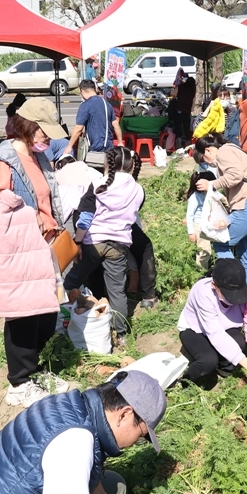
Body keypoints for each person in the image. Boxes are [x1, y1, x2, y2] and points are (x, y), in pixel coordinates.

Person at [0, 370, 167, 494]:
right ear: (124, 414)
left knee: (114, 486)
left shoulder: (74, 406)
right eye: (140, 436)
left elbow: (96, 488)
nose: (133, 444)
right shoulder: (75, 444)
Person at [0, 98, 68, 407]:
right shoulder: (2, 159)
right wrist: (28, 213)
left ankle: (33, 371)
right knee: (23, 316)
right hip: (18, 251)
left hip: (41, 248)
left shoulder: (37, 156)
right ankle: (19, 383)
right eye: (44, 132)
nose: (48, 138)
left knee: (45, 314)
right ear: (28, 127)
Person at [64, 147, 144, 346]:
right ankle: (122, 334)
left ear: (107, 164)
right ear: (132, 164)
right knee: (117, 290)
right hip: (119, 246)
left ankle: (64, 320)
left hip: (93, 243)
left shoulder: (98, 184)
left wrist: (77, 242)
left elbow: (85, 218)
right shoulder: (138, 189)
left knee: (71, 281)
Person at [177, 258, 247, 387]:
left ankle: (223, 364)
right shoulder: (202, 292)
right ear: (214, 286)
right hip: (195, 330)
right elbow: (215, 334)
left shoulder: (245, 292)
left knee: (240, 342)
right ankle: (184, 383)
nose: (235, 299)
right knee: (208, 361)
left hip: (223, 327)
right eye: (230, 294)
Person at [194, 133, 247, 285]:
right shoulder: (234, 150)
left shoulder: (224, 152)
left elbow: (235, 175)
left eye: (204, 159)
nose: (207, 164)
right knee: (246, 252)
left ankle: (233, 284)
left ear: (208, 150)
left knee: (220, 241)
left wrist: (211, 185)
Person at [66, 80, 122, 169]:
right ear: (95, 89)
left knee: (95, 176)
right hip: (109, 147)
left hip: (94, 148)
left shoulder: (85, 105)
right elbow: (116, 125)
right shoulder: (107, 104)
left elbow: (78, 129)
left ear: (82, 91)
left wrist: (69, 146)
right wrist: (120, 142)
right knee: (108, 174)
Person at [186, 170, 217, 269]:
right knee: (204, 251)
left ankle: (204, 268)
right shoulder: (195, 197)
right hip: (199, 227)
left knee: (208, 249)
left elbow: (220, 198)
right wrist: (191, 232)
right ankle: (201, 272)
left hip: (209, 225)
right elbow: (189, 216)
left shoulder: (210, 193)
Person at [175, 75, 196, 145]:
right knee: (187, 130)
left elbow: (174, 94)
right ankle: (188, 145)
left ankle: (178, 143)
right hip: (187, 112)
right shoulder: (193, 90)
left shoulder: (181, 87)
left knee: (178, 129)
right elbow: (193, 102)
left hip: (179, 111)